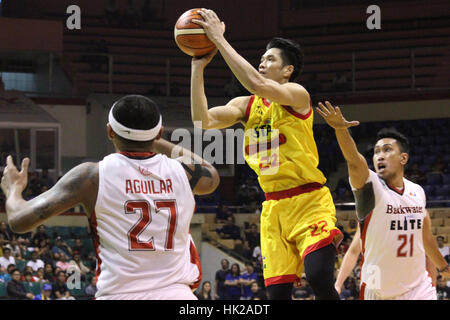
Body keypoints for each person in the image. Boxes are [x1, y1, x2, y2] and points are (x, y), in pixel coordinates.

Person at [1, 95, 219, 300]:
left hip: (119, 293)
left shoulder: (91, 176)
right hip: (177, 294)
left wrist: (14, 190)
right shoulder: (182, 172)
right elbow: (210, 172)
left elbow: (19, 220)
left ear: (110, 131)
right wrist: (153, 139)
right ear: (160, 132)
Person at [190, 9, 342, 300]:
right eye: (262, 57)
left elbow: (258, 84)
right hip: (273, 209)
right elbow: (202, 122)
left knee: (320, 276)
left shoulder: (297, 95)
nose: (262, 61)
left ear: (288, 70)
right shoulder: (246, 105)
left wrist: (219, 40)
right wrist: (198, 67)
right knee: (277, 296)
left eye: (270, 58)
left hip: (309, 200)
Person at [317, 101, 450, 299]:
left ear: (403, 158)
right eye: (376, 152)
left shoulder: (417, 191)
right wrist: (340, 130)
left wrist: (443, 267)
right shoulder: (370, 186)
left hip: (417, 286)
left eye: (387, 150)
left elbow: (425, 236)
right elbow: (354, 159)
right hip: (378, 286)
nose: (380, 156)